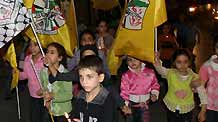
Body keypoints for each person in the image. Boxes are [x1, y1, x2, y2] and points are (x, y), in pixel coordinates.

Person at [154, 49, 207, 122]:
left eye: (185, 62)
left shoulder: (194, 77)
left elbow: (202, 93)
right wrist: (157, 60)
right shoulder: (170, 73)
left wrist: (203, 111)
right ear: (174, 62)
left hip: (187, 109)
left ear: (189, 62)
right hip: (171, 107)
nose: (182, 65)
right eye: (179, 62)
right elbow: (160, 69)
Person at [72, 55, 117, 122]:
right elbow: (76, 116)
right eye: (81, 77)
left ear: (100, 77)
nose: (84, 81)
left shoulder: (107, 100)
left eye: (89, 77)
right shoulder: (80, 95)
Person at [120, 56, 160, 122]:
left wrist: (154, 94)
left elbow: (155, 85)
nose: (133, 62)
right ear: (126, 62)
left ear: (141, 60)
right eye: (129, 60)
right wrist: (125, 105)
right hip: (131, 104)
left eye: (136, 59)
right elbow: (124, 92)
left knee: (145, 120)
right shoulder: (126, 75)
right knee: (131, 120)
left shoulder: (150, 72)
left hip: (145, 104)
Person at [40, 42, 73, 122]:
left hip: (63, 112)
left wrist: (52, 96)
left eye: (52, 52)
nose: (47, 55)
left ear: (60, 58)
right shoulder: (43, 72)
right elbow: (45, 88)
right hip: (50, 110)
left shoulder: (65, 74)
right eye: (47, 52)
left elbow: (69, 95)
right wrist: (43, 95)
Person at [18, 41, 46, 122]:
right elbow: (24, 75)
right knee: (34, 116)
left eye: (36, 45)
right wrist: (17, 74)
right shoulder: (27, 58)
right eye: (30, 45)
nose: (32, 47)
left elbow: (50, 78)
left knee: (45, 116)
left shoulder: (45, 60)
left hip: (45, 94)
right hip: (33, 94)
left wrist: (45, 88)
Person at [199, 37, 218, 122]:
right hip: (211, 106)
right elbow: (201, 88)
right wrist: (203, 111)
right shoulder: (207, 66)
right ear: (215, 48)